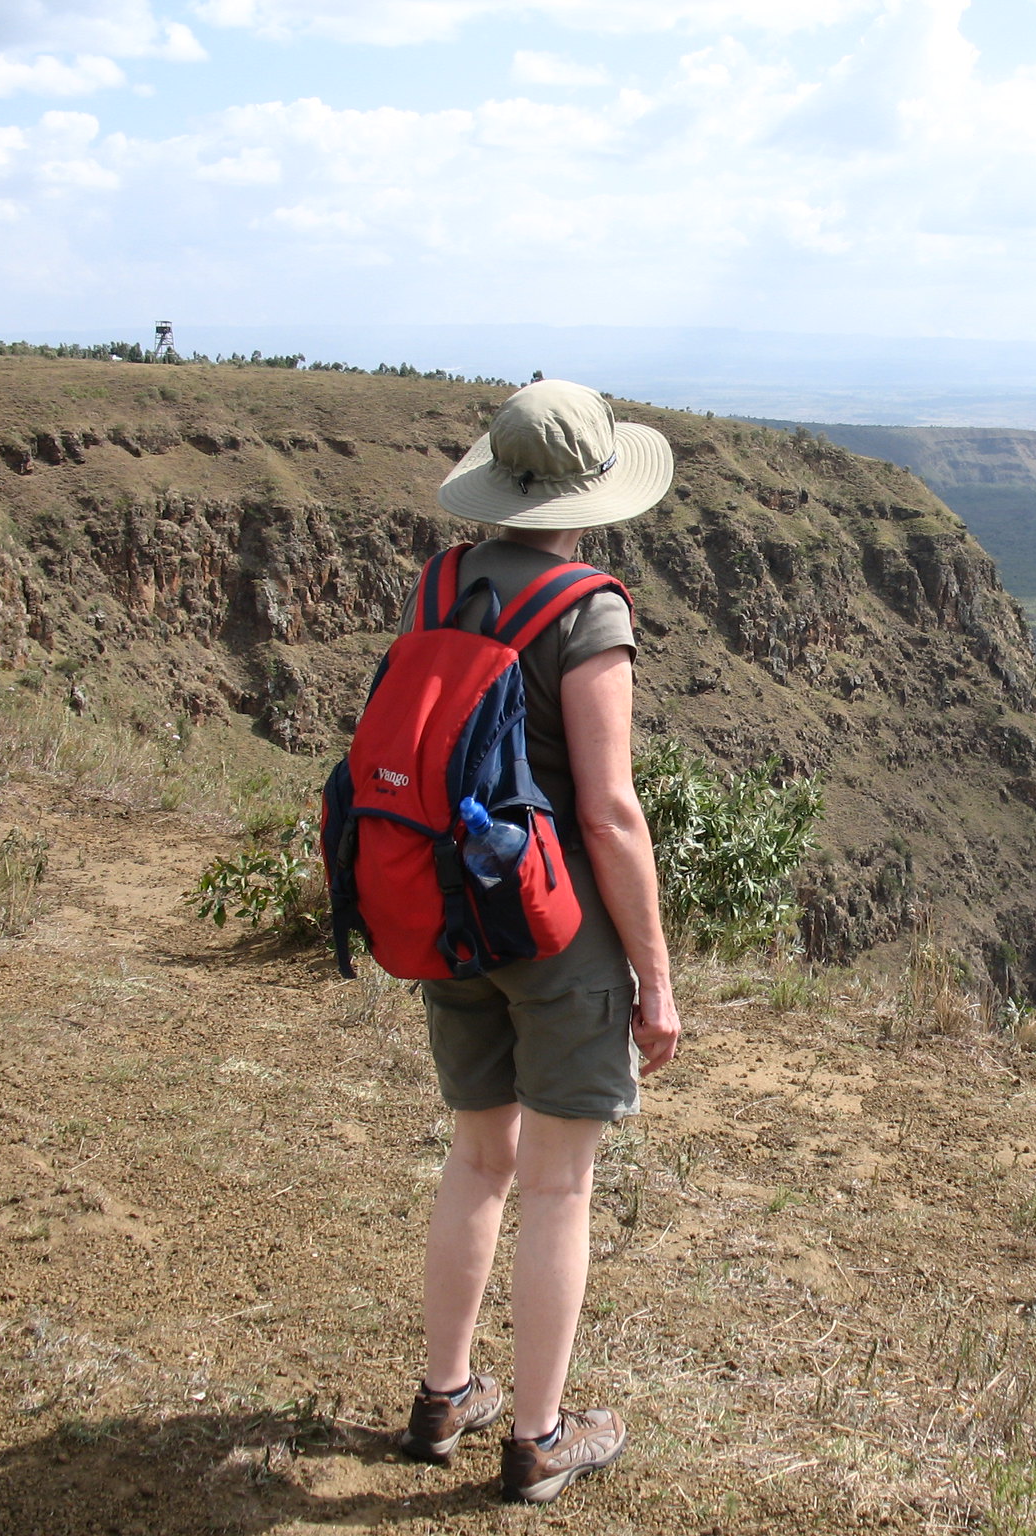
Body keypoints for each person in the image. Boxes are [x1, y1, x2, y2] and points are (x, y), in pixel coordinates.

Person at [393, 380, 681, 1504]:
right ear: (589, 491)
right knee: (558, 1188)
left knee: (475, 1159)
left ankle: (440, 1397)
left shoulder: (439, 584)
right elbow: (608, 813)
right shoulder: (586, 609)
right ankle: (538, 1437)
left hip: (454, 915)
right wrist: (654, 980)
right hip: (556, 934)